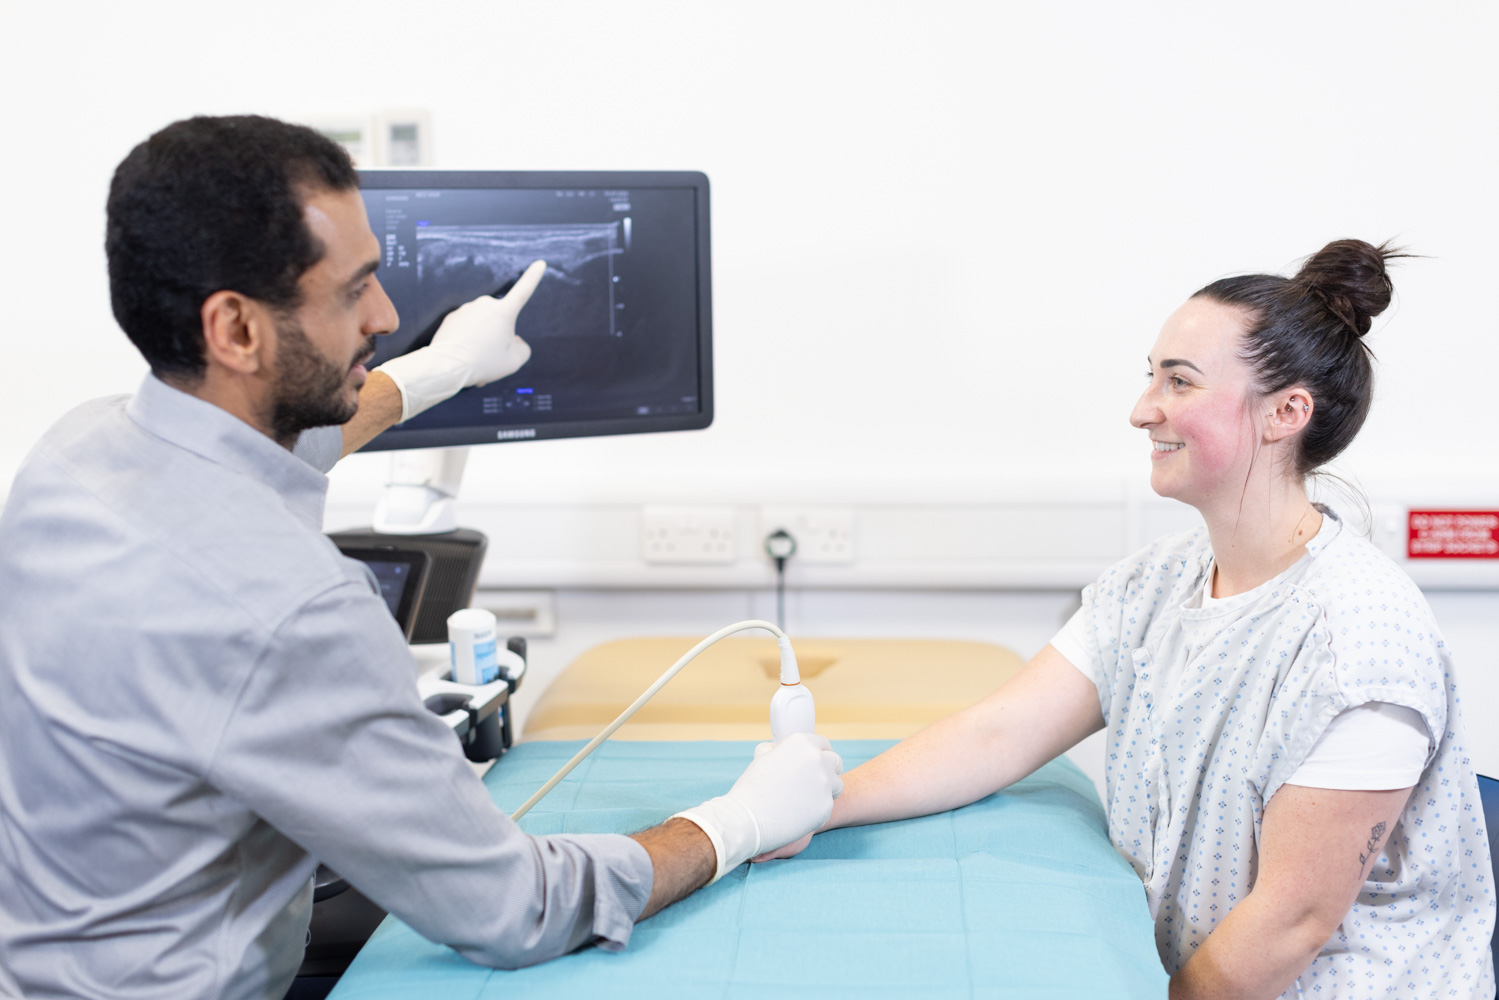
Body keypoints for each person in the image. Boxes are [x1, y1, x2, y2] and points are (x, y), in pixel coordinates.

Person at [0, 115, 843, 1000]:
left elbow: (269, 449)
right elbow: (512, 909)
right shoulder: (295, 608)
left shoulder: (75, 454)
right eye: (354, 290)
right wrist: (736, 822)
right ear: (236, 331)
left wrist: (439, 371)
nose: (388, 316)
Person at [756, 240, 1495, 998]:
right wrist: (821, 807)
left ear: (1285, 412)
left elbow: (1290, 922)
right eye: (1151, 377)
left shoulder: (1359, 639)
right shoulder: (1153, 584)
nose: (1143, 410)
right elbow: (998, 734)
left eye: (1179, 382)